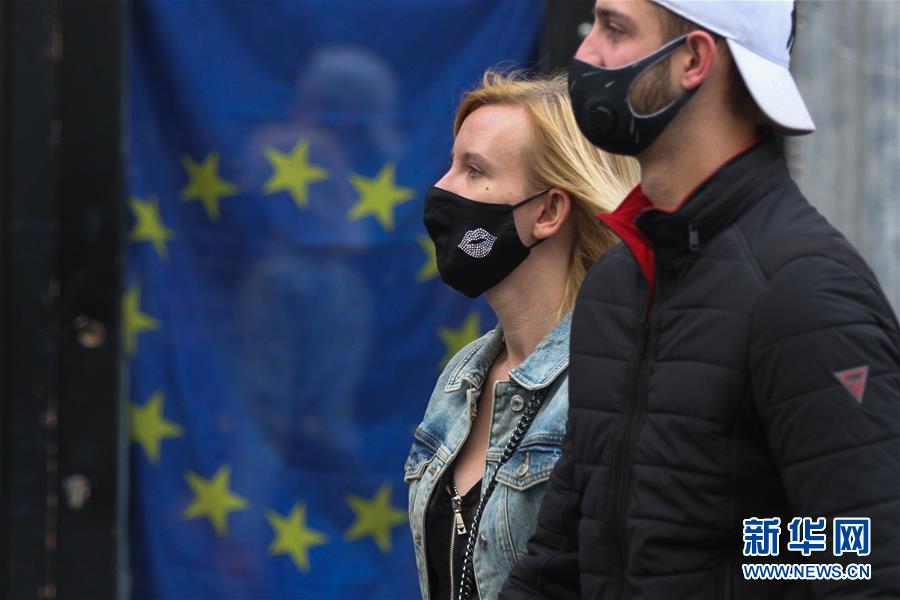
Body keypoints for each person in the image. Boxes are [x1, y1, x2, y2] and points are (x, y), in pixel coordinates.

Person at [501, 1, 900, 598]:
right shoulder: (617, 285)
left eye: (615, 28)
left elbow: (862, 561)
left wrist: (743, 562)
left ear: (694, 59)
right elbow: (559, 561)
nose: (586, 54)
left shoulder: (803, 292)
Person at [405, 71, 639, 600]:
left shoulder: (616, 382)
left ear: (549, 211)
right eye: (451, 164)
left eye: (474, 170)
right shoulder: (461, 377)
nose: (442, 189)